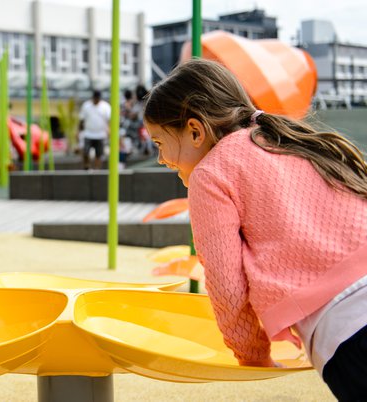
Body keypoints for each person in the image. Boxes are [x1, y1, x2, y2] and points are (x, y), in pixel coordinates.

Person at [143, 58, 367, 400]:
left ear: (194, 130)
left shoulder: (211, 175)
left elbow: (225, 283)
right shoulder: (285, 139)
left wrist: (252, 354)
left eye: (159, 143)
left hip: (347, 326)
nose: (160, 159)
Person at [78, 90, 111, 169]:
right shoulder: (86, 106)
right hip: (88, 133)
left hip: (100, 134)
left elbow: (109, 120)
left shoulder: (105, 107)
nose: (96, 100)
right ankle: (87, 166)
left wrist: (109, 130)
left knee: (99, 154)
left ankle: (97, 169)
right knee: (85, 152)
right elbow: (81, 120)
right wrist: (79, 131)